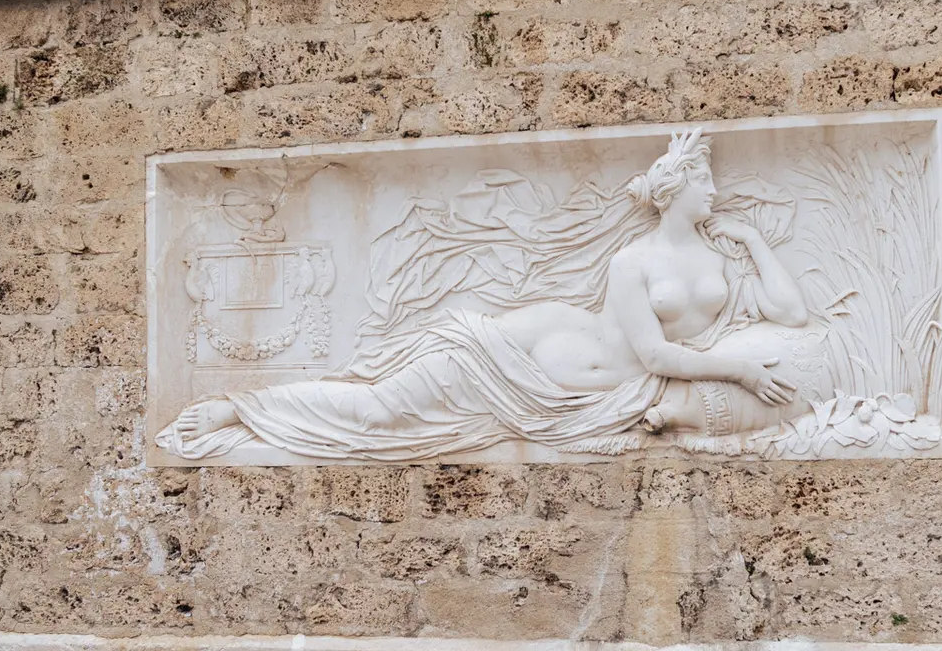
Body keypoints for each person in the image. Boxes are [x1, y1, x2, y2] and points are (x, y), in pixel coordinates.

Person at [156, 128, 826, 462]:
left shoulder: (719, 254)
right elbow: (653, 353)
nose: (714, 190)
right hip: (509, 356)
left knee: (384, 419)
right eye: (704, 181)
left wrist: (752, 239)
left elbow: (791, 314)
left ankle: (247, 414)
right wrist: (737, 367)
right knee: (381, 410)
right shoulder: (633, 261)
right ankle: (237, 410)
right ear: (675, 190)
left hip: (570, 398)